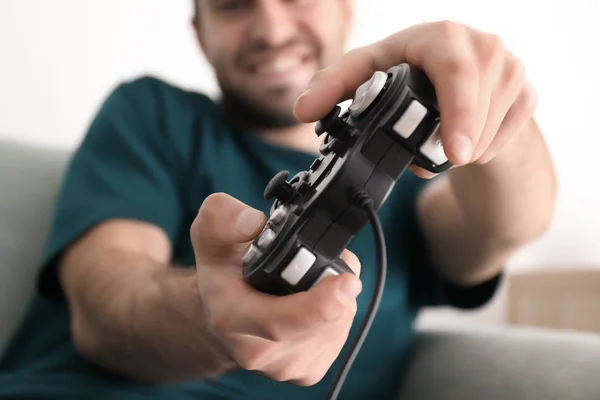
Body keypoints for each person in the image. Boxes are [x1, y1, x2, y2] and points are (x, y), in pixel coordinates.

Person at [0, 0, 557, 399]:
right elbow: (105, 309)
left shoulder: (416, 178)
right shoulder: (151, 114)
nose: (269, 26)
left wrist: (491, 121)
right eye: (234, 6)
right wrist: (211, 313)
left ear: (345, 9)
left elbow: (508, 226)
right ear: (200, 32)